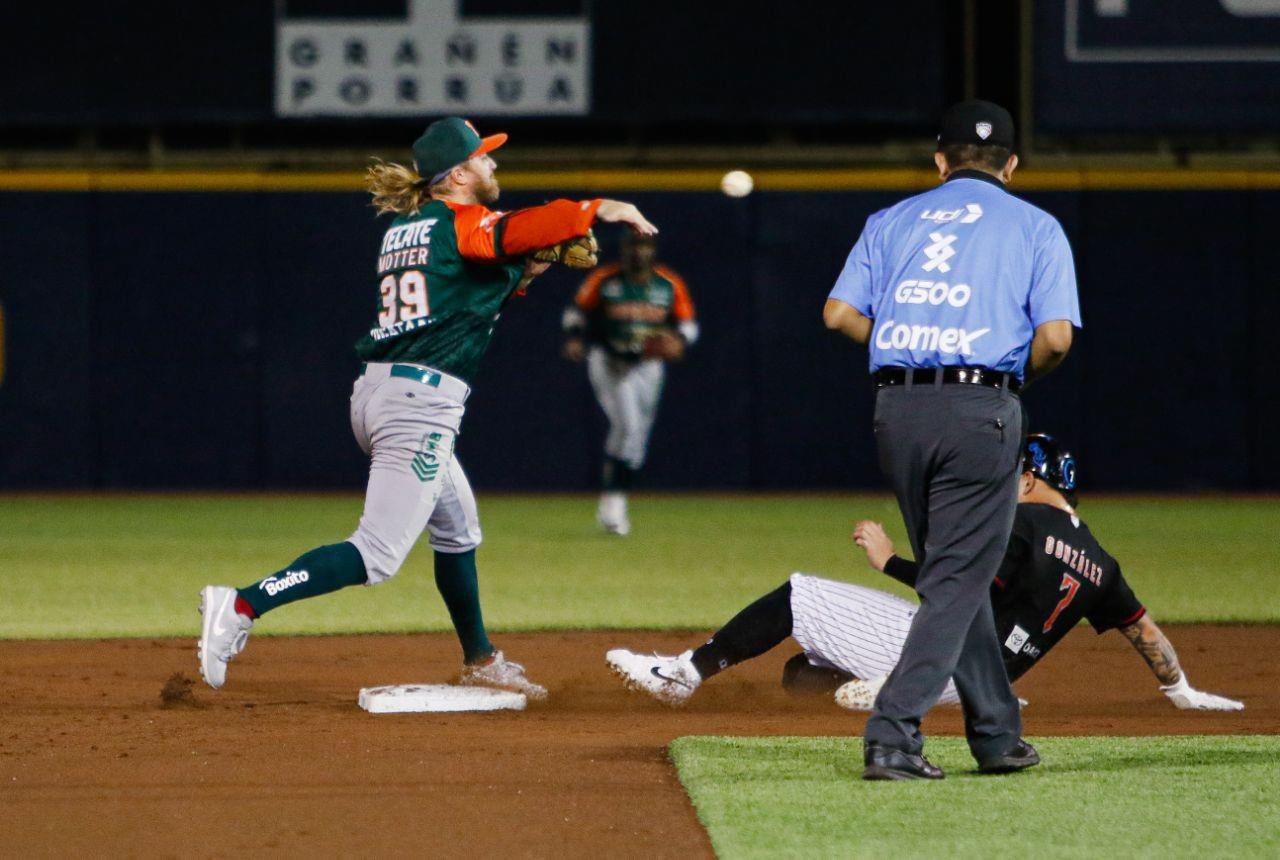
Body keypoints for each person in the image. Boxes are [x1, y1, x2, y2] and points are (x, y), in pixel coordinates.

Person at [197, 116, 657, 697]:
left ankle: (481, 660)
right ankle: (239, 605)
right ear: (459, 173)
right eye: (485, 158)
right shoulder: (464, 222)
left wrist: (530, 268)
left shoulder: (410, 226)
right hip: (418, 405)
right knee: (377, 554)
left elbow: (464, 288)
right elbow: (510, 231)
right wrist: (598, 207)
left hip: (383, 390)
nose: (493, 165)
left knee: (458, 529)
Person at [605, 434, 1244, 716]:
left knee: (800, 595)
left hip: (940, 652)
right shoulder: (1101, 561)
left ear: (1028, 479)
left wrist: (889, 561)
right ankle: (879, 689)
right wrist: (1182, 692)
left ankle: (683, 674)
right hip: (985, 684)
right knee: (802, 674)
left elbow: (955, 582)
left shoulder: (1020, 522)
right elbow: (1147, 635)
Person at [821, 99, 1080, 779]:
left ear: (941, 160)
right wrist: (1008, 379)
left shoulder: (891, 219)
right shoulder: (1036, 226)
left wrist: (912, 351)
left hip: (897, 411)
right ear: (1012, 165)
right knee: (958, 581)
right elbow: (1054, 337)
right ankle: (893, 733)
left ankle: (997, 734)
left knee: (951, 576)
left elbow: (838, 314)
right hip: (980, 410)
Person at [561, 233, 697, 535]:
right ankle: (614, 505)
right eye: (633, 246)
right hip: (610, 361)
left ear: (653, 251)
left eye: (644, 246)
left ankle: (613, 501)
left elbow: (688, 324)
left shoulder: (668, 283)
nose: (639, 252)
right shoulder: (605, 279)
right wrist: (574, 336)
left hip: (648, 365)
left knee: (636, 442)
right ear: (624, 250)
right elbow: (576, 311)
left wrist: (680, 339)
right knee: (628, 427)